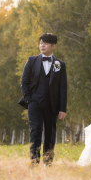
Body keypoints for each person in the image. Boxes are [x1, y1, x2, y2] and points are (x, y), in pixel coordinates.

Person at [19, 33, 67, 165]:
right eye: (41, 43)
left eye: (45, 43)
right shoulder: (32, 60)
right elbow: (24, 82)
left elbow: (63, 88)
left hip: (52, 105)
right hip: (34, 103)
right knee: (35, 131)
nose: (42, 45)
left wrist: (62, 108)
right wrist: (28, 99)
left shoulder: (59, 64)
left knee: (50, 134)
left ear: (53, 46)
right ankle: (34, 162)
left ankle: (48, 162)